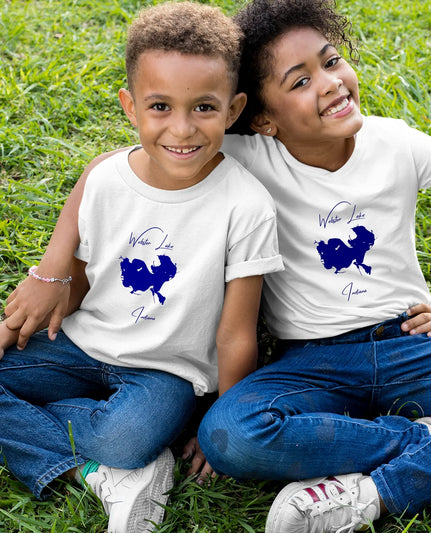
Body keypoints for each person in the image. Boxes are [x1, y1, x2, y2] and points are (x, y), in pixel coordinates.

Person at [3, 0, 431, 531]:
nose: (329, 83)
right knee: (231, 436)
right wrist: (51, 271)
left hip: (412, 343)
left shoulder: (396, 144)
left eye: (331, 61)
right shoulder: (238, 151)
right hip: (312, 363)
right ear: (260, 120)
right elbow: (114, 165)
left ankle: (378, 491)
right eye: (299, 82)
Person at [0, 2, 283, 533]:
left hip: (167, 374)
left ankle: (115, 455)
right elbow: (79, 283)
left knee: (124, 437)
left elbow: (235, 333)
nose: (182, 128)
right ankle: (96, 473)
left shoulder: (245, 205)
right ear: (131, 107)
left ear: (233, 109)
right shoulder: (107, 180)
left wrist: (221, 420)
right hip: (80, 346)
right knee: (111, 433)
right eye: (160, 106)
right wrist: (13, 328)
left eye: (204, 107)